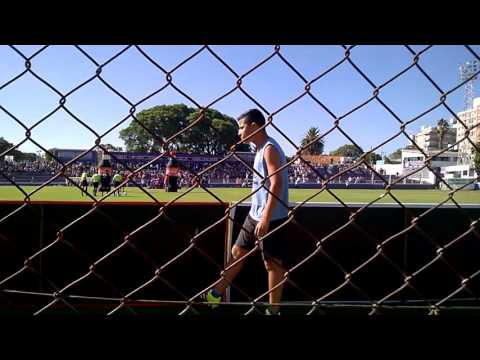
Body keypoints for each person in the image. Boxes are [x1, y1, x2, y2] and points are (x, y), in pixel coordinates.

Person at [203, 109, 289, 315]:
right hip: (255, 214)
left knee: (272, 264)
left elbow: (276, 184)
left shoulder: (269, 148)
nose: (239, 132)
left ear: (254, 126)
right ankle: (214, 294)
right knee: (237, 253)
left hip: (272, 217)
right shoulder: (259, 149)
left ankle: (273, 310)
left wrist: (266, 219)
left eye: (241, 127)